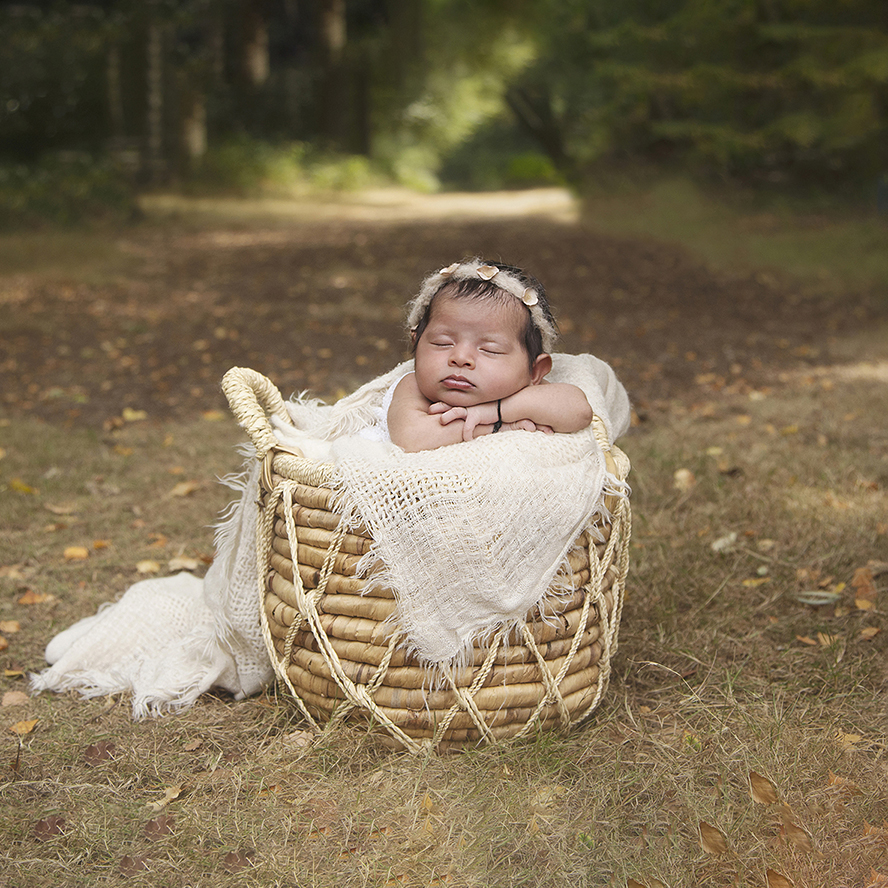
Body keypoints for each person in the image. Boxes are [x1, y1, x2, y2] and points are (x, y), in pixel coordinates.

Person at [385, 259, 594, 452]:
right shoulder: (414, 387)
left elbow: (580, 412)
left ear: (534, 371)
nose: (460, 357)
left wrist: (494, 412)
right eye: (443, 343)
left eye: (490, 350)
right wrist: (498, 426)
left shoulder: (525, 392)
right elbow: (410, 438)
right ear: (416, 343)